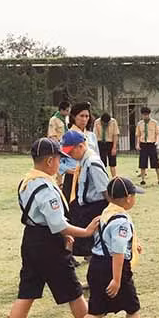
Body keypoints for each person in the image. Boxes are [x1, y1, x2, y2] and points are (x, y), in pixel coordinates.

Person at [0, 139, 122, 318]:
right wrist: (85, 231)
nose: (61, 164)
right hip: (49, 244)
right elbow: (57, 224)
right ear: (49, 160)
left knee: (26, 293)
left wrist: (64, 233)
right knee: (74, 293)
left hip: (31, 240)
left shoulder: (27, 181)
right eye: (58, 159)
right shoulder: (46, 187)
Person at [64, 177, 159, 318]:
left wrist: (134, 245)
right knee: (132, 309)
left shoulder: (106, 212)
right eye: (134, 196)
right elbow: (117, 250)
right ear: (127, 198)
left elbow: (109, 239)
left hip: (97, 265)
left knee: (94, 311)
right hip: (113, 268)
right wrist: (117, 279)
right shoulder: (121, 220)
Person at [63, 129, 110, 257]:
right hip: (84, 206)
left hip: (95, 207)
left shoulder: (92, 163)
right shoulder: (83, 161)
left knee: (93, 241)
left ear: (81, 146)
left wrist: (112, 211)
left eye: (71, 151)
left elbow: (105, 190)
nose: (70, 155)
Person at [60, 103, 95, 200]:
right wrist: (71, 171)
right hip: (72, 178)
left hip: (90, 176)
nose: (84, 119)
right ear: (74, 117)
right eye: (81, 116)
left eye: (87, 116)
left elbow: (97, 156)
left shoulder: (91, 136)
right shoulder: (68, 136)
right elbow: (59, 161)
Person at [136, 107, 159, 185]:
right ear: (142, 115)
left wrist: (157, 141)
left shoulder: (154, 123)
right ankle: (143, 179)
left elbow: (157, 133)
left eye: (147, 114)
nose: (145, 116)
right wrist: (138, 144)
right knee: (142, 162)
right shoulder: (140, 124)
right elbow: (138, 135)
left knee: (155, 162)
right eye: (144, 115)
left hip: (152, 144)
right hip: (143, 144)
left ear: (149, 114)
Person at [94, 112, 120, 177]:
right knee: (102, 163)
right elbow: (95, 135)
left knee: (112, 163)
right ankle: (104, 178)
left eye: (107, 123)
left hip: (110, 143)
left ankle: (114, 178)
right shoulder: (97, 122)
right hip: (100, 143)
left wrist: (114, 147)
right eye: (104, 123)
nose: (105, 124)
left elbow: (115, 135)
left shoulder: (113, 122)